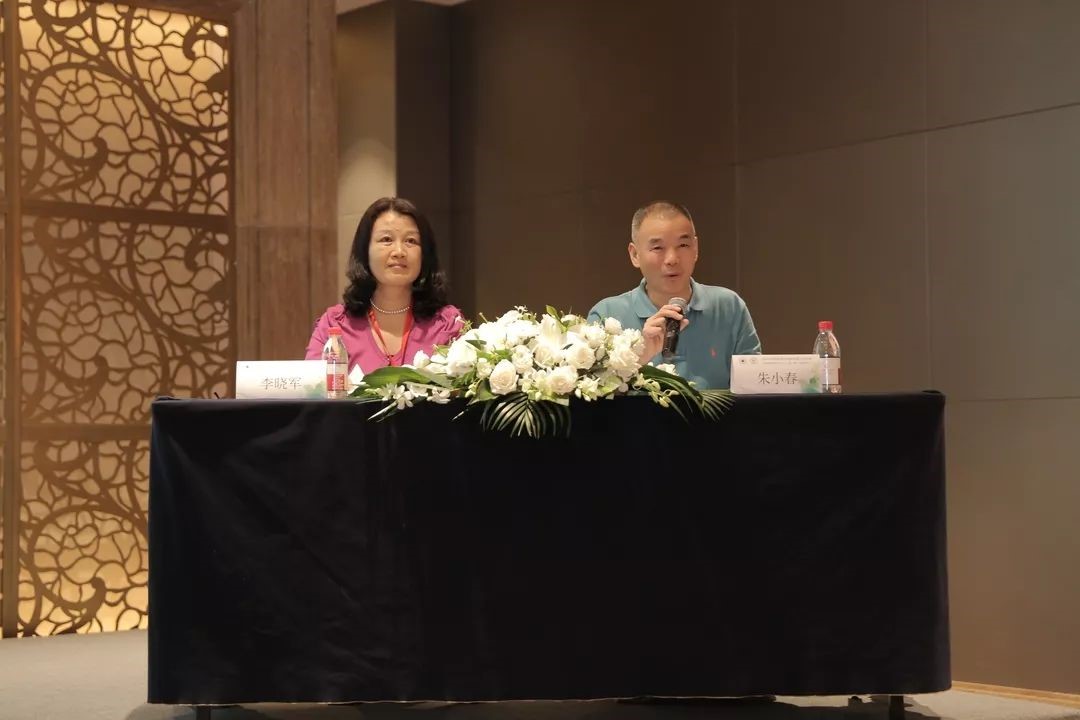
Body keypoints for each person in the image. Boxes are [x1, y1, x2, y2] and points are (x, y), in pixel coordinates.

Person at [587, 201, 761, 389]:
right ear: (635, 255)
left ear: (696, 248)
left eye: (683, 245)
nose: (672, 259)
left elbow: (754, 389)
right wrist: (637, 359)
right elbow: (592, 394)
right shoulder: (607, 316)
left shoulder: (729, 307)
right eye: (658, 248)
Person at [306, 196, 463, 373]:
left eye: (411, 241)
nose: (399, 252)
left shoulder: (448, 325)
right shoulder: (335, 326)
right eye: (386, 239)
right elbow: (311, 386)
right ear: (365, 250)